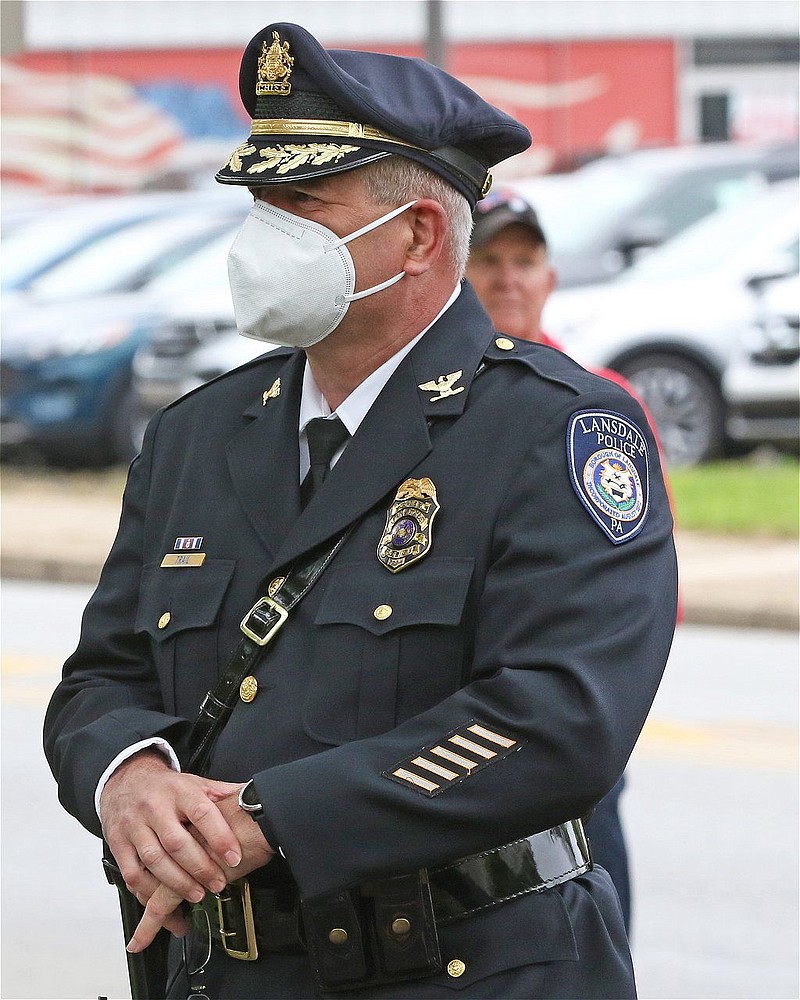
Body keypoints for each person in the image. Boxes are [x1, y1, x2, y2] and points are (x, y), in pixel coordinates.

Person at [44, 22, 678, 1000]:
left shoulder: (554, 431)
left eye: (302, 201)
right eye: (259, 202)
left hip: (464, 970)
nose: (265, 232)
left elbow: (558, 718)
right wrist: (127, 775)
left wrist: (271, 815)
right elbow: (102, 678)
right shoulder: (195, 435)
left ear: (420, 234)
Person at [466, 190, 634, 931]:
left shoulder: (600, 407)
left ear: (549, 279)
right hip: (459, 724)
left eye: (525, 261)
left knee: (590, 928)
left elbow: (643, 590)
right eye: (489, 260)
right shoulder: (431, 401)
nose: (509, 279)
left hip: (573, 728)